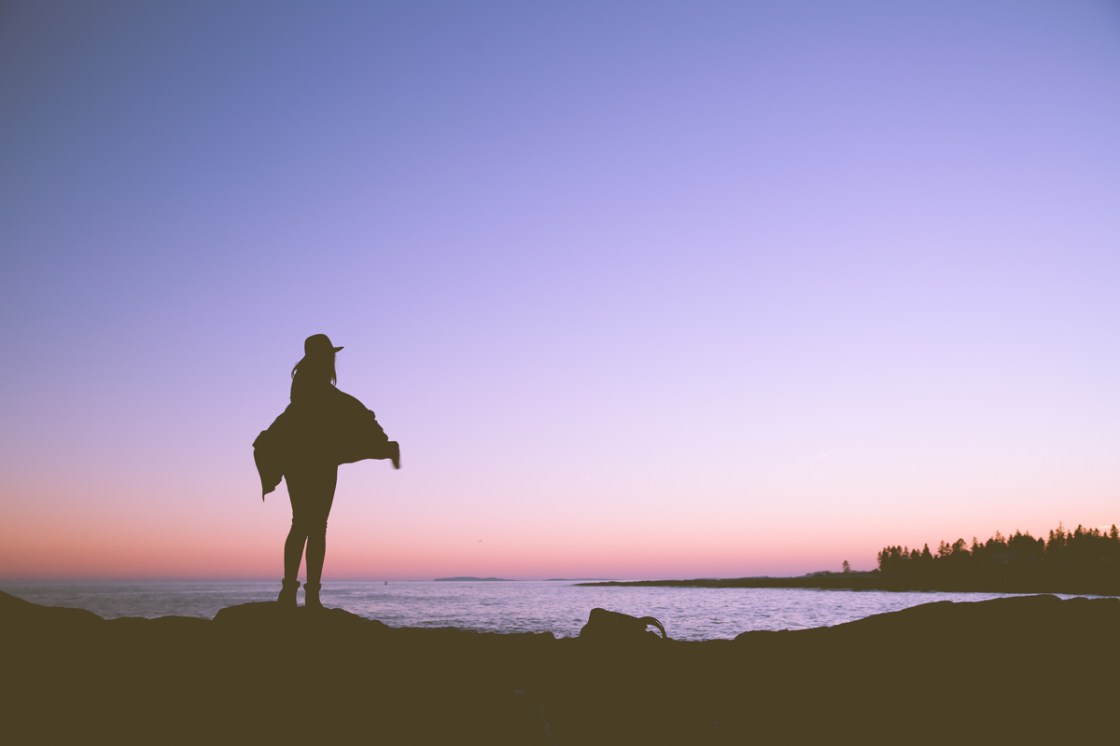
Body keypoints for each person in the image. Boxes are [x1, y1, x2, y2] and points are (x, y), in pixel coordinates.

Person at [253, 334, 400, 609]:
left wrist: (363, 416)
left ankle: (299, 593)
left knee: (305, 525)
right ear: (322, 355)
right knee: (311, 526)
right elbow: (337, 404)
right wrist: (365, 416)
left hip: (308, 457)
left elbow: (337, 407)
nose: (333, 359)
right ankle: (302, 594)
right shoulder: (311, 380)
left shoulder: (308, 379)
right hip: (312, 458)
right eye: (330, 353)